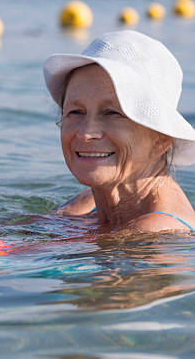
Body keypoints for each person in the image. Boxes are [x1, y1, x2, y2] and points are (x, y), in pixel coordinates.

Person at [44, 30, 195, 232]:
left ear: (161, 139)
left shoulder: (159, 231)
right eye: (76, 112)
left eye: (112, 113)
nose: (85, 133)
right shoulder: (90, 203)